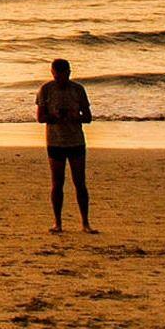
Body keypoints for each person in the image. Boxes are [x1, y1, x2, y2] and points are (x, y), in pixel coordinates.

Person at [36, 58, 95, 233]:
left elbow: (88, 117)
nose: (60, 79)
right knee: (57, 182)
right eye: (56, 75)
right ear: (52, 73)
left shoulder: (78, 90)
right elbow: (40, 117)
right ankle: (58, 222)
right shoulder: (46, 90)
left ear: (69, 73)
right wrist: (54, 116)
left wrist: (74, 116)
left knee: (80, 183)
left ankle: (85, 222)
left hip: (75, 140)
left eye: (63, 75)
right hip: (55, 141)